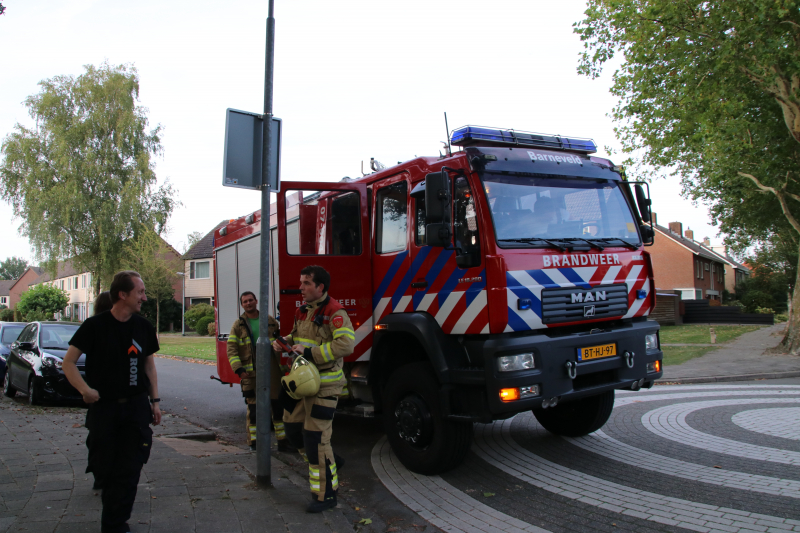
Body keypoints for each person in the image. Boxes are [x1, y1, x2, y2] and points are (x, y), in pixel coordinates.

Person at [62, 271, 161, 533]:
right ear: (123, 294)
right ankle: (113, 516)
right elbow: (68, 362)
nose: (144, 297)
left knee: (129, 467)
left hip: (135, 407)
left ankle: (116, 525)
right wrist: (85, 390)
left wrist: (155, 401)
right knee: (104, 467)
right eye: (140, 292)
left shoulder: (143, 327)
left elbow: (149, 367)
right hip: (104, 408)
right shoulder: (94, 326)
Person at [272, 265, 355, 513]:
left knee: (316, 441)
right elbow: (297, 337)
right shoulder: (303, 311)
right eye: (301, 282)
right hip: (303, 382)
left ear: (320, 287)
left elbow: (346, 345)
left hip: (325, 386)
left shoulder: (335, 312)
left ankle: (326, 496)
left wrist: (309, 353)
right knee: (293, 430)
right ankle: (331, 461)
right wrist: (283, 342)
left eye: (306, 283)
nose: (301, 287)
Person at [226, 291, 291, 451]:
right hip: (250, 372)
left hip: (272, 370)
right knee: (254, 409)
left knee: (277, 406)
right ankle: (254, 444)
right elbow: (231, 349)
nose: (248, 303)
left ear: (256, 301)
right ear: (242, 305)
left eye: (250, 300)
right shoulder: (238, 325)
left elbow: (280, 341)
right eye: (245, 301)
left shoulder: (269, 321)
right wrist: (239, 369)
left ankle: (282, 442)